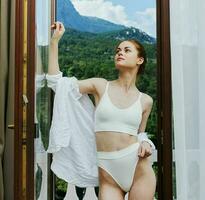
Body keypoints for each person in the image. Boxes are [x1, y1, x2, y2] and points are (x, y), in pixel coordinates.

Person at [48, 21, 156, 200]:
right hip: (108, 173)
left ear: (140, 60)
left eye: (126, 50)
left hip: (139, 169)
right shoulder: (100, 86)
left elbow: (141, 133)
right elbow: (57, 84)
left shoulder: (145, 100)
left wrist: (146, 142)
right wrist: (54, 42)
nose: (120, 52)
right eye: (118, 50)